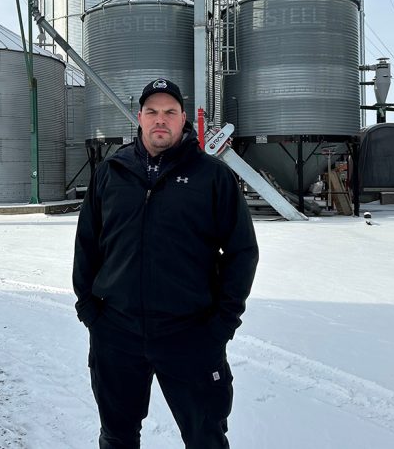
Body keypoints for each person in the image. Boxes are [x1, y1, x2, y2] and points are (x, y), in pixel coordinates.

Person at [72, 78, 259, 448]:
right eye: (152, 112)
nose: (161, 119)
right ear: (139, 117)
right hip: (117, 333)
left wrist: (221, 325)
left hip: (190, 333)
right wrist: (90, 311)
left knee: (206, 437)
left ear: (183, 118)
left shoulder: (212, 176)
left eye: (170, 112)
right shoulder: (111, 172)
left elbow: (242, 252)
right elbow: (88, 244)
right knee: (116, 436)